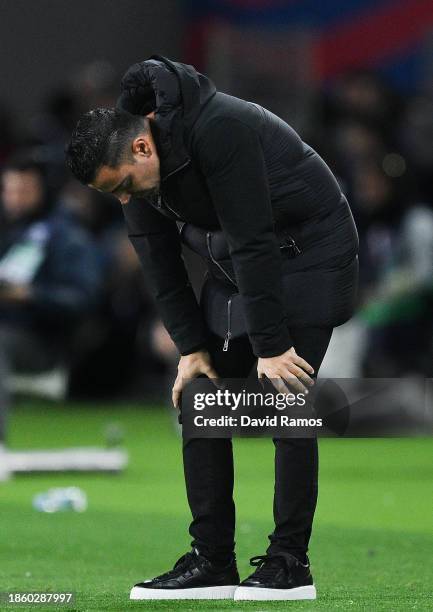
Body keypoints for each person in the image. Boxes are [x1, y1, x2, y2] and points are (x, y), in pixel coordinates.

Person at [65, 55, 359, 602]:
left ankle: (290, 563)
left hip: (313, 253)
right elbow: (157, 258)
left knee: (288, 397)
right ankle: (211, 560)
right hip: (240, 261)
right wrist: (191, 347)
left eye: (124, 185)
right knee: (201, 394)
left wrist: (271, 348)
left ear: (143, 147)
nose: (125, 199)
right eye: (113, 194)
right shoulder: (132, 169)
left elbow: (254, 239)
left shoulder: (220, 128)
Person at [0, 153, 102, 448]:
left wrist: (29, 295)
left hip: (41, 342)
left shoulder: (68, 236)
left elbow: (85, 299)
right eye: (9, 190)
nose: (14, 199)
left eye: (24, 191)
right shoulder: (9, 233)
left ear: (44, 190)